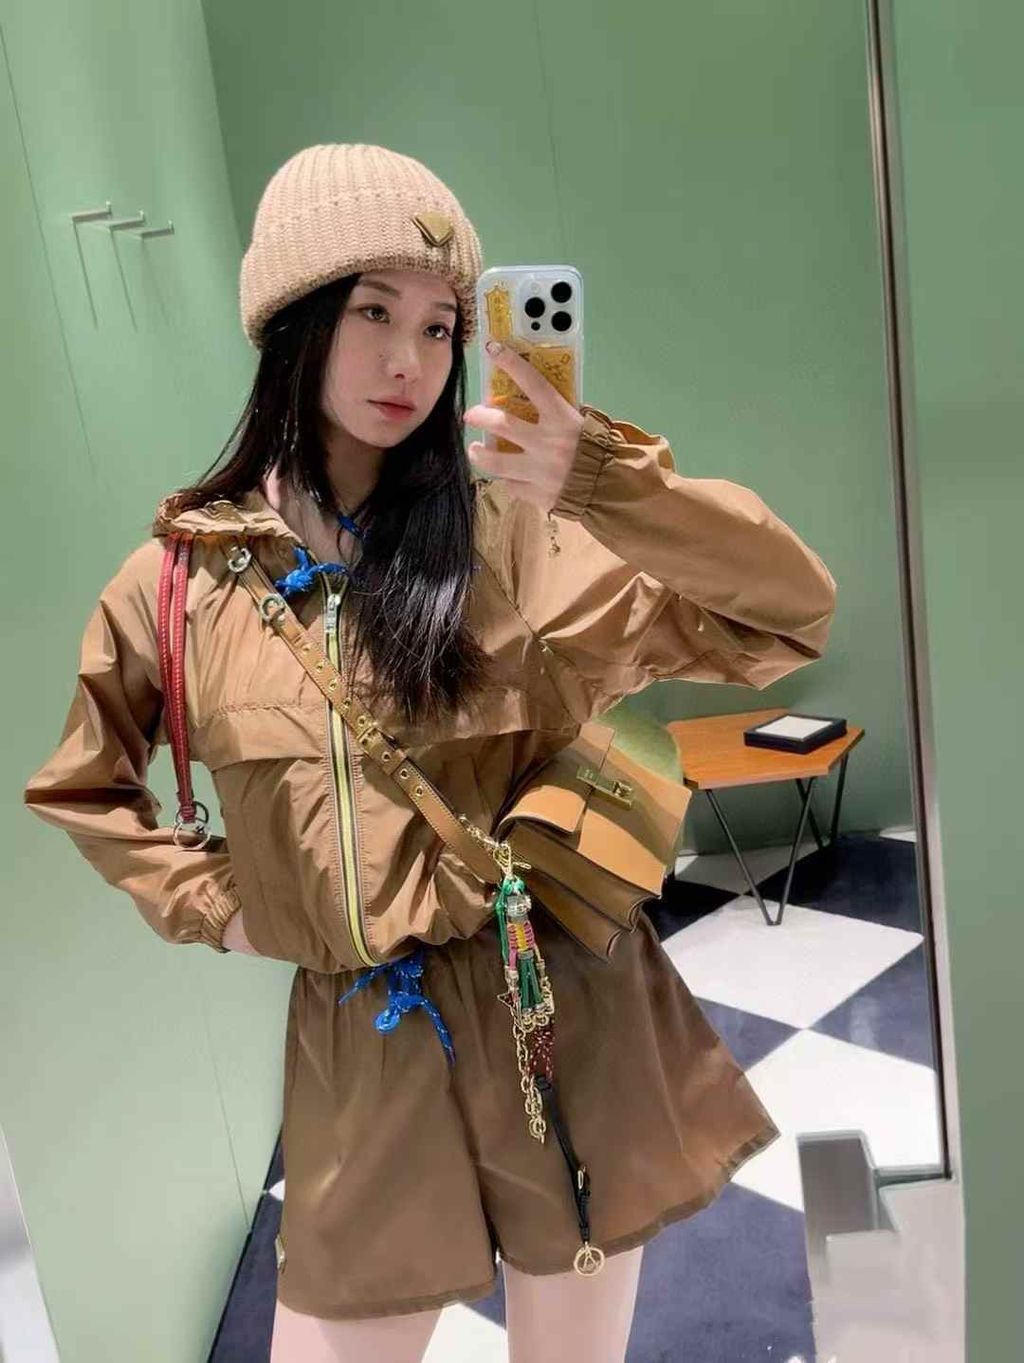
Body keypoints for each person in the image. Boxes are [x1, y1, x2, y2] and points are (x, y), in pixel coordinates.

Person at [23, 143, 838, 1363]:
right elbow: (83, 785)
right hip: (361, 1043)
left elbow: (785, 616)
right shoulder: (180, 585)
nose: (409, 359)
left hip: (558, 1007)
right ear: (293, 324)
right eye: (372, 312)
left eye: (441, 325)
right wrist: (219, 907)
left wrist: (601, 481)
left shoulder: (518, 542)